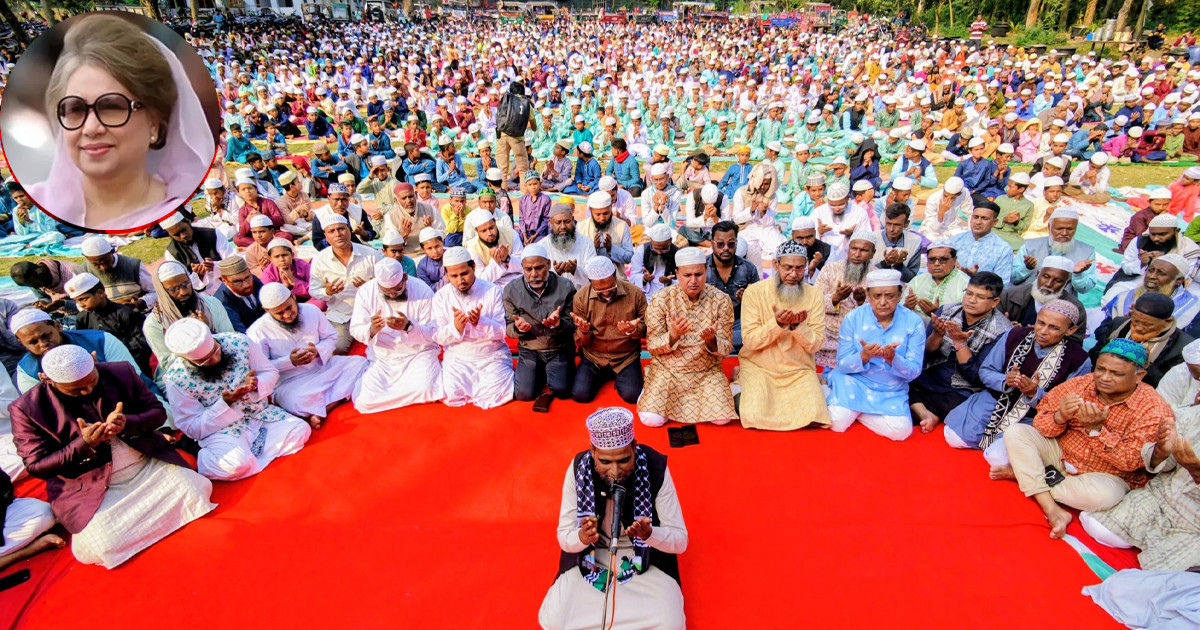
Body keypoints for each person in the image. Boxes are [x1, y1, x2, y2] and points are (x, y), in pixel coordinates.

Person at [9, 345, 215, 568]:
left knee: (196, 491)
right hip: (91, 486)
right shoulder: (27, 409)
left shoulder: (120, 372)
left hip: (146, 464)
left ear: (94, 359)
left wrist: (129, 422)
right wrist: (84, 444)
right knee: (102, 544)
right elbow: (36, 465)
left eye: (92, 382)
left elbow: (157, 413)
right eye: (76, 390)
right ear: (46, 379)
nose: (88, 391)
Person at [29, 15, 214, 230]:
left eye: (112, 108)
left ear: (154, 122)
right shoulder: (36, 200)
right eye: (76, 109)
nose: (90, 128)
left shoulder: (175, 211)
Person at [1000, 339, 1167, 539]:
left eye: (1116, 373)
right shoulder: (1081, 384)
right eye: (1101, 369)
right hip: (1061, 454)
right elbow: (1041, 422)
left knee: (1105, 497)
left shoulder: (1153, 409)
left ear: (1139, 376)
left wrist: (1096, 430)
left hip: (1105, 474)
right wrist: (1060, 417)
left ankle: (1028, 476)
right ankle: (1052, 507)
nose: (1104, 377)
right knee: (1016, 432)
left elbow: (1131, 462)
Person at [538, 407, 687, 630]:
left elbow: (680, 541)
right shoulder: (578, 469)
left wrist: (650, 534)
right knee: (554, 619)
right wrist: (582, 536)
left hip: (644, 560)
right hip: (592, 558)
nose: (615, 471)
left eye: (624, 460)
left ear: (634, 447)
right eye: (605, 462)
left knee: (670, 623)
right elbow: (564, 538)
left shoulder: (656, 468)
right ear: (593, 452)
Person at [1080, 341, 1200, 571]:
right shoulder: (1191, 416)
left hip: (1195, 521)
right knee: (1098, 528)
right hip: (1163, 497)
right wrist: (1159, 452)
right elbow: (1159, 465)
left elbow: (1125, 460)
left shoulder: (1150, 403)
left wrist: (1196, 473)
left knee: (1161, 575)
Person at [943, 300, 1092, 472]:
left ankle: (998, 444)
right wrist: (1006, 380)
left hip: (1032, 416)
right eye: (1040, 323)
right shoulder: (1014, 335)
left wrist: (1034, 393)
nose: (1043, 331)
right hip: (996, 400)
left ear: (1070, 330)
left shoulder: (1079, 360)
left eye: (1054, 327)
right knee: (953, 437)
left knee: (997, 459)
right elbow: (986, 371)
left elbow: (1068, 406)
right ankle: (990, 439)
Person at [161, 318, 312, 481]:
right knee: (234, 465)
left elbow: (269, 371)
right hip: (223, 430)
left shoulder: (239, 343)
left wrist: (255, 385)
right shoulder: (177, 379)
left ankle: (249, 457)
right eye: (204, 360)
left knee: (300, 430)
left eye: (216, 350)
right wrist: (225, 404)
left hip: (259, 414)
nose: (214, 359)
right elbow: (191, 427)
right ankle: (232, 457)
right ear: (187, 359)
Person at [735, 241, 829, 431]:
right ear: (776, 265)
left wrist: (798, 326)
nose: (793, 274)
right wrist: (777, 325)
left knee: (814, 416)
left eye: (799, 268)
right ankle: (740, 382)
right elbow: (750, 341)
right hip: (760, 367)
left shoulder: (814, 295)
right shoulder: (754, 292)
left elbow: (816, 345)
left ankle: (814, 383)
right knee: (753, 416)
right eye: (788, 268)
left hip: (798, 368)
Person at [246, 283, 368, 429]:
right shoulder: (257, 331)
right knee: (296, 400)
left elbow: (331, 337)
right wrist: (289, 361)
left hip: (325, 367)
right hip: (292, 382)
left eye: (289, 308)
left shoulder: (311, 310)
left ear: (293, 296)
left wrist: (318, 350)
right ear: (267, 310)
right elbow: (262, 369)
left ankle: (324, 407)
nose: (287, 315)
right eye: (279, 313)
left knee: (360, 363)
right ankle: (335, 398)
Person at [638, 247, 737, 427]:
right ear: (677, 273)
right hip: (669, 371)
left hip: (706, 371)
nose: (693, 280)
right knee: (651, 420)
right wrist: (673, 336)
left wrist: (711, 340)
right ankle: (650, 384)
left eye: (698, 274)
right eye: (687, 275)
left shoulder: (721, 300)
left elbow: (726, 348)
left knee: (722, 420)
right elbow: (652, 345)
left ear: (706, 271)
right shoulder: (661, 300)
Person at [825, 269, 926, 441]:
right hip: (855, 381)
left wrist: (893, 359)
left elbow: (914, 371)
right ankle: (843, 398)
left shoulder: (914, 322)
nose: (883, 302)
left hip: (891, 388)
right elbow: (842, 364)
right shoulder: (854, 318)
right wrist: (863, 356)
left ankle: (856, 410)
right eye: (877, 295)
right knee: (837, 423)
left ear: (900, 294)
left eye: (890, 295)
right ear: (867, 294)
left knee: (900, 432)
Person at [908, 272, 1011, 432]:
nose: (971, 300)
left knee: (962, 403)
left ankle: (921, 410)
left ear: (994, 302)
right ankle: (926, 413)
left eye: (980, 297)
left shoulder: (1002, 331)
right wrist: (937, 334)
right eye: (969, 293)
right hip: (931, 374)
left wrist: (959, 342)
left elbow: (978, 377)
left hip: (960, 389)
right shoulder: (947, 310)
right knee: (900, 380)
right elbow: (925, 354)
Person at [349, 258, 444, 413]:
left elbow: (433, 332)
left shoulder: (422, 290)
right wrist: (371, 330)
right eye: (387, 292)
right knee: (364, 401)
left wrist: (408, 327)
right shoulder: (366, 292)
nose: (393, 295)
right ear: (378, 284)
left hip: (418, 353)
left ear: (405, 278)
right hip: (384, 357)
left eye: (397, 290)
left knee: (425, 388)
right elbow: (355, 329)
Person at [432, 247, 515, 409]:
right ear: (447, 275)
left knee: (498, 394)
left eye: (464, 273)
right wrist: (456, 327)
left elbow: (501, 332)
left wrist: (480, 322)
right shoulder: (441, 296)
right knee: (450, 392)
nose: (460, 280)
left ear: (474, 268)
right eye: (453, 276)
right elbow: (437, 336)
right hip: (458, 357)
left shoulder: (493, 291)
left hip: (491, 355)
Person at [504, 243, 577, 407]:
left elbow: (573, 324)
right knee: (523, 394)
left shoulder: (565, 287)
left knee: (561, 390)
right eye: (528, 269)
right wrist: (518, 329)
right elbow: (509, 327)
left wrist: (559, 324)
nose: (534, 274)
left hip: (558, 347)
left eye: (539, 268)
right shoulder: (511, 290)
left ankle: (548, 374)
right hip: (530, 349)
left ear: (549, 265)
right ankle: (539, 373)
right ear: (522, 268)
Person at [571, 257, 647, 405]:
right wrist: (584, 331)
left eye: (610, 288)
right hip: (593, 357)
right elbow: (579, 341)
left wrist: (633, 330)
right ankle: (607, 374)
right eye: (600, 290)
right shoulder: (581, 297)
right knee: (580, 395)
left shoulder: (635, 294)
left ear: (615, 276)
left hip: (625, 357)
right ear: (590, 282)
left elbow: (647, 328)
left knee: (633, 396)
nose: (606, 293)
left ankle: (617, 375)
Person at [309, 215, 382, 354]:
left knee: (391, 345)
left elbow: (389, 286)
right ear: (325, 235)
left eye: (341, 229)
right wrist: (328, 292)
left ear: (349, 229)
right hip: (341, 315)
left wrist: (370, 287)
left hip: (372, 313)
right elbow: (313, 290)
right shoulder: (319, 260)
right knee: (337, 349)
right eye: (331, 231)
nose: (337, 234)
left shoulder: (372, 255)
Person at [1093, 293, 1194, 389]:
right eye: (1135, 321)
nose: (1139, 328)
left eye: (1147, 325)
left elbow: (1169, 386)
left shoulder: (1183, 347)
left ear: (1166, 322)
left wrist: (1145, 363)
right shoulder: (1119, 325)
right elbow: (1094, 355)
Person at [66, 272, 153, 376]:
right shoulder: (83, 318)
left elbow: (142, 347)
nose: (81, 305)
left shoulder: (125, 314)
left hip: (130, 367)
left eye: (84, 299)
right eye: (77, 301)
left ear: (100, 293)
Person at [813, 232, 875, 369]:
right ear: (848, 249)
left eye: (863, 250)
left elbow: (882, 312)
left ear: (872, 253)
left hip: (858, 339)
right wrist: (835, 298)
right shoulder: (830, 270)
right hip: (826, 337)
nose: (857, 254)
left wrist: (862, 303)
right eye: (854, 249)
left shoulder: (876, 277)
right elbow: (814, 302)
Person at [1103, 254, 1200, 332]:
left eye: (1161, 273)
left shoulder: (1191, 308)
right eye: (1150, 270)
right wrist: (1123, 323)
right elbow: (1102, 329)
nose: (1152, 276)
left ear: (1178, 280)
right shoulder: (1124, 297)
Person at [1011, 207, 1096, 295]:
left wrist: (1078, 275)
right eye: (1059, 229)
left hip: (1061, 304)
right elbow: (1012, 278)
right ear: (1049, 227)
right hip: (1026, 298)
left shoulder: (1087, 252)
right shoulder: (1030, 246)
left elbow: (1085, 289)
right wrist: (1026, 268)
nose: (1064, 233)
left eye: (1070, 229)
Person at [706, 222, 759, 349]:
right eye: (720, 244)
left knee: (750, 336)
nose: (726, 248)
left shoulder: (748, 268)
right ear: (712, 243)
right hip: (708, 321)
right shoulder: (701, 267)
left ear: (736, 244)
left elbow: (759, 304)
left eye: (731, 244)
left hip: (739, 322)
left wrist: (747, 299)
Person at [161, 212, 236, 296]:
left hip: (230, 283)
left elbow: (233, 261)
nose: (183, 236)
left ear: (189, 223)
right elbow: (182, 284)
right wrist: (198, 276)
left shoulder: (213, 234)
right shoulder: (172, 253)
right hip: (203, 295)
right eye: (176, 235)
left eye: (183, 230)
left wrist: (214, 266)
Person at [79, 236, 158, 311]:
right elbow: (79, 303)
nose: (103, 267)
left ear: (113, 252)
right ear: (86, 257)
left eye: (106, 262)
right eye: (96, 264)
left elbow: (155, 292)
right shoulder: (82, 272)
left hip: (137, 314)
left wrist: (141, 303)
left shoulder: (133, 265)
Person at [949, 201, 1013, 284]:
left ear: (994, 222)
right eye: (975, 217)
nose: (978, 222)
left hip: (979, 294)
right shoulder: (955, 240)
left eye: (984, 218)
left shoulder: (1003, 249)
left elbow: (1002, 284)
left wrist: (976, 278)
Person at [538, 204, 597, 290]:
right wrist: (555, 273)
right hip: (552, 299)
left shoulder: (586, 243)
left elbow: (593, 276)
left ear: (573, 220)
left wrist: (575, 271)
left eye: (567, 221)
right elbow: (537, 279)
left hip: (580, 297)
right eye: (558, 222)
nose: (563, 227)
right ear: (550, 222)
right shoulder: (541, 246)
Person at [466, 205, 526, 287]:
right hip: (492, 285)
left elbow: (524, 266)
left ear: (494, 222)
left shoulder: (511, 234)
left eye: (491, 228)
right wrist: (495, 263)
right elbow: (480, 280)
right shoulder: (472, 248)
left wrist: (507, 259)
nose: (489, 233)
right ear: (477, 231)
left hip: (516, 279)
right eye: (484, 231)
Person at [579, 191, 634, 271]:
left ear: (611, 207)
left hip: (616, 279)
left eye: (606, 213)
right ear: (591, 210)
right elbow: (578, 257)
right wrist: (593, 248)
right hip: (589, 278)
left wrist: (611, 248)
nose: (602, 218)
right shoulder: (581, 227)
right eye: (598, 214)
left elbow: (629, 257)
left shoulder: (622, 225)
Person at [872, 203, 923, 282]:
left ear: (906, 224)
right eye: (888, 223)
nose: (891, 229)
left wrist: (899, 265)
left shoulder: (915, 241)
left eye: (897, 225)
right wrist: (885, 263)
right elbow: (866, 274)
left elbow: (911, 278)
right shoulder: (872, 238)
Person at [213, 256, 265, 334]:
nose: (246, 285)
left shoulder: (253, 279)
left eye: (247, 277)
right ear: (224, 280)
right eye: (238, 281)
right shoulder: (222, 301)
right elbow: (241, 332)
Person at [630, 223, 679, 300]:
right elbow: (632, 278)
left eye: (664, 249)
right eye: (655, 248)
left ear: (670, 240)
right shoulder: (641, 251)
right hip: (646, 295)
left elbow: (685, 280)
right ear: (651, 240)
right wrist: (644, 278)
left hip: (671, 295)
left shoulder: (678, 254)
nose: (659, 252)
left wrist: (670, 282)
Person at [495, 79, 532, 181]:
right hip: (518, 138)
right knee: (523, 168)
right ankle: (525, 194)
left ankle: (501, 193)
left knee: (502, 169)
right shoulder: (526, 103)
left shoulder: (506, 99)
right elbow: (533, 124)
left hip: (502, 135)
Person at [918, 177, 973, 241]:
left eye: (952, 198)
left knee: (966, 238)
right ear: (943, 188)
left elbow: (970, 213)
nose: (948, 200)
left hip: (953, 227)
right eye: (945, 196)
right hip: (934, 230)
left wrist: (971, 233)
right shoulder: (933, 199)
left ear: (959, 194)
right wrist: (941, 213)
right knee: (931, 239)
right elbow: (931, 229)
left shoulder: (964, 193)